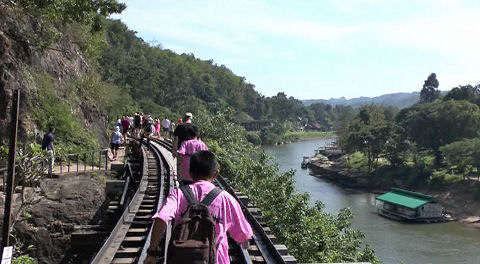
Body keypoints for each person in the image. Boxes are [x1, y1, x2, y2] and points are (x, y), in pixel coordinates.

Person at [144, 151, 253, 264]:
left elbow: (161, 218)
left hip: (182, 259)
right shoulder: (226, 198)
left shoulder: (179, 194)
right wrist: (245, 242)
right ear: (215, 174)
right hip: (215, 259)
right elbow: (243, 234)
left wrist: (152, 252)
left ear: (190, 173)